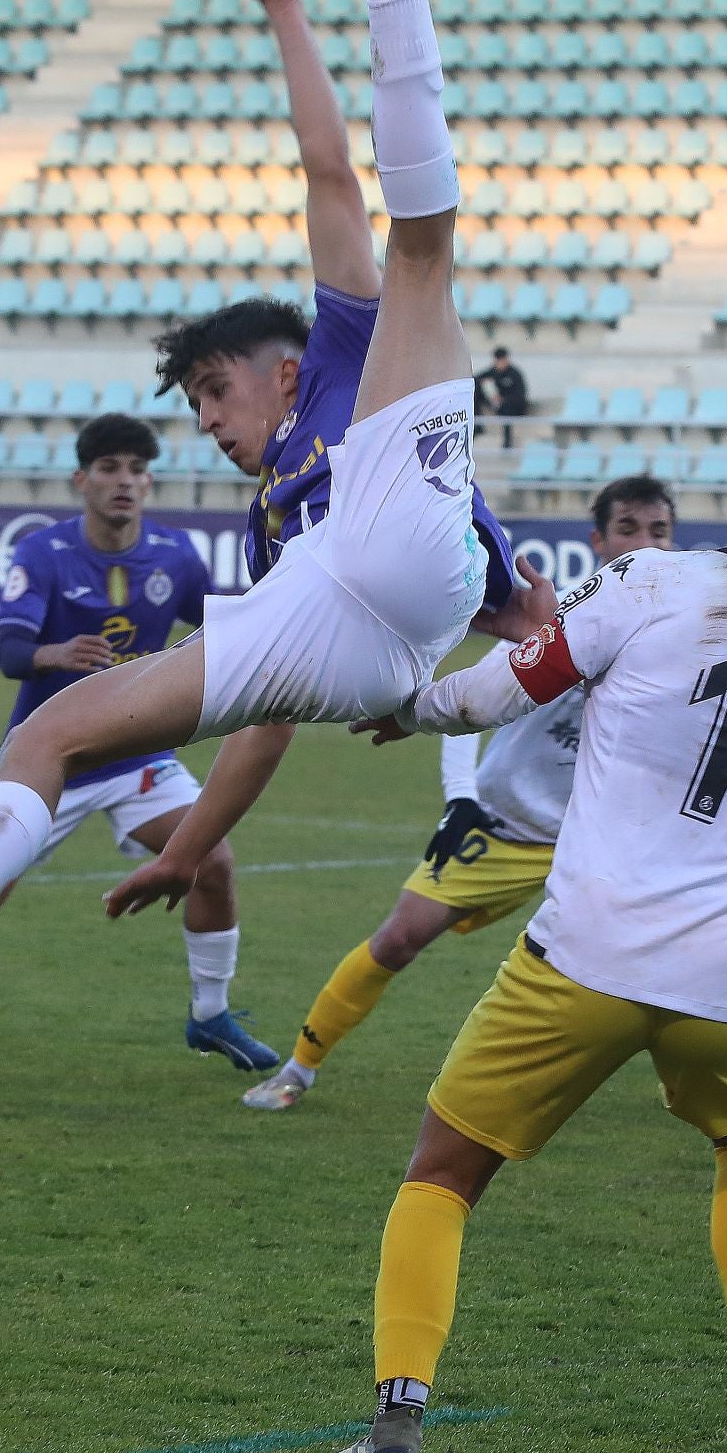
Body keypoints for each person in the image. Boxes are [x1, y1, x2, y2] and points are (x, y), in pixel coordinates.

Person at [0, 0, 552, 1031]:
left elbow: (330, 172)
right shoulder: (274, 521)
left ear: (281, 371)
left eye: (216, 392)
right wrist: (196, 845)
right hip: (375, 643)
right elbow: (273, 719)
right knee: (48, 732)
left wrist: (281, 7)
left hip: (400, 569)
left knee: (415, 252)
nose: (214, 425)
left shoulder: (339, 350)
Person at [308, 409, 727, 1453]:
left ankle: (393, 1436)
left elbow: (501, 688)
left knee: (442, 1174)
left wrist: (408, 711)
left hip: (587, 954)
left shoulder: (654, 582)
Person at [242, 475, 676, 1112]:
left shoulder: (682, 639)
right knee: (398, 939)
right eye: (629, 529)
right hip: (506, 826)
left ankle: (694, 1089)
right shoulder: (567, 619)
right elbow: (477, 698)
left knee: (665, 952)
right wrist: (459, 799)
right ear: (599, 540)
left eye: (659, 530)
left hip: (603, 838)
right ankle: (297, 1071)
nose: (645, 543)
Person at [0, 414, 275, 1070]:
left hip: (139, 758)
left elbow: (231, 630)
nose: (125, 482)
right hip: (52, 764)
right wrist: (57, 652)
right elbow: (11, 652)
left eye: (137, 470)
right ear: (81, 479)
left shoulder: (173, 555)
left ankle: (210, 1015)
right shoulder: (43, 554)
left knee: (212, 863)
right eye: (109, 468)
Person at [473, 346, 527, 418]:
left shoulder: (514, 374)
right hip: (493, 403)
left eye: (502, 360)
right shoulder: (491, 372)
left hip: (511, 406)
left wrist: (503, 399)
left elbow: (520, 394)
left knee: (507, 409)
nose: (500, 363)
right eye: (498, 360)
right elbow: (476, 379)